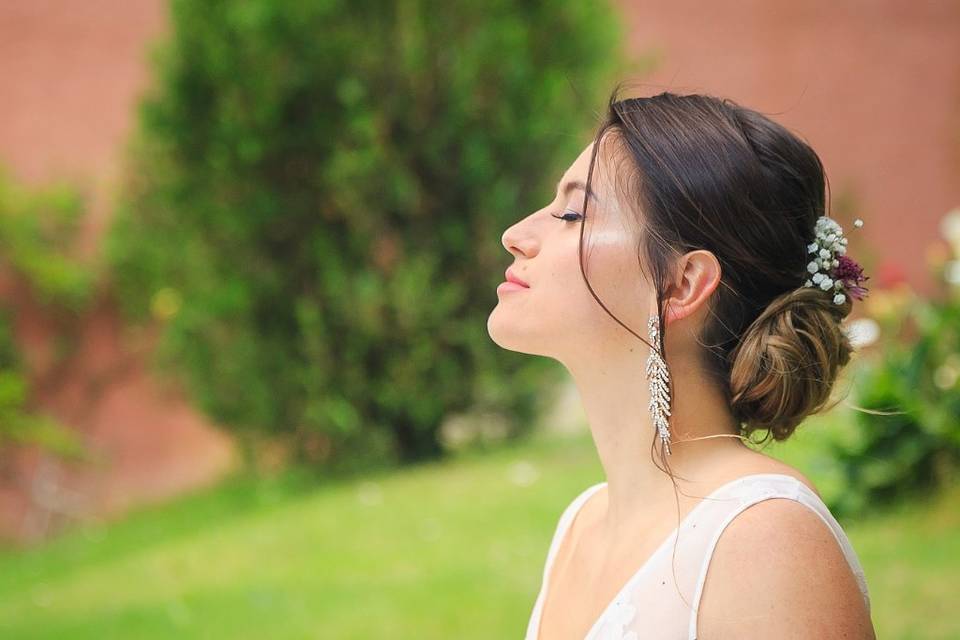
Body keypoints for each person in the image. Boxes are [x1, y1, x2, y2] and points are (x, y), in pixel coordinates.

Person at [487, 87, 876, 639]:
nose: (516, 236)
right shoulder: (582, 523)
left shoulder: (764, 535)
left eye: (571, 213)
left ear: (681, 284)